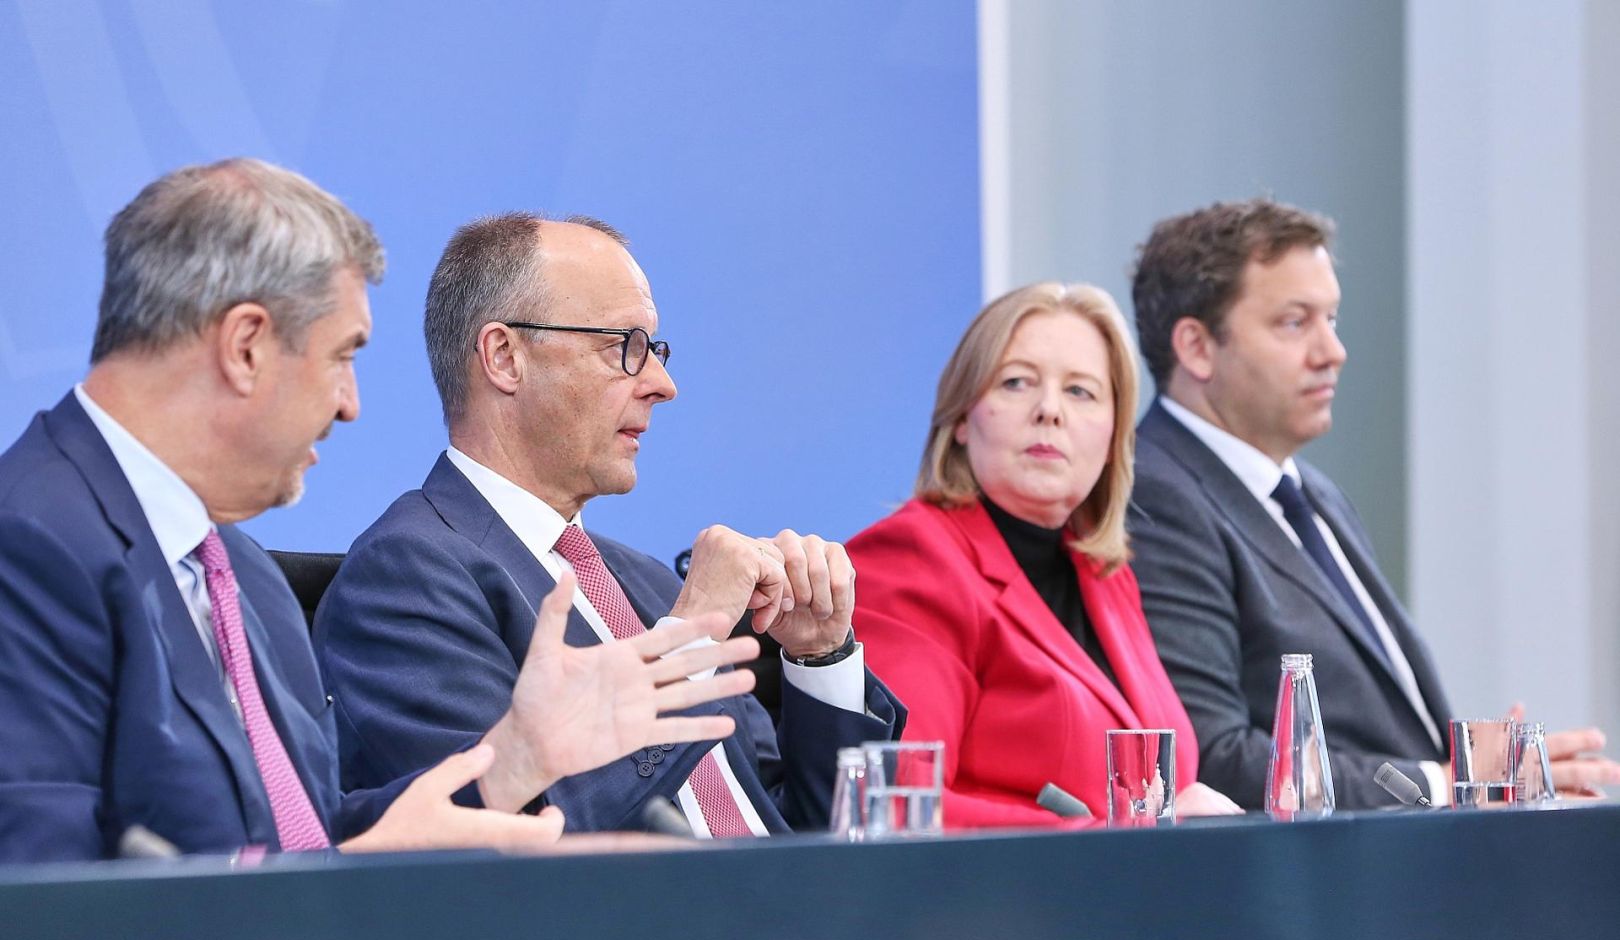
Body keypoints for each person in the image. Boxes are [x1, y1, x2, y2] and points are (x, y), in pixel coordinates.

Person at [0, 159, 757, 863]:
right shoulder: (27, 544)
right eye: (343, 356)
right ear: (246, 346)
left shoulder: (246, 580)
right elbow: (45, 897)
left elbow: (312, 843)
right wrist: (347, 871)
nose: (351, 405)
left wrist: (510, 767)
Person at [314, 213, 903, 837]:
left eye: (656, 350)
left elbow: (797, 833)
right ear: (505, 357)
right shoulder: (405, 577)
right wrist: (688, 642)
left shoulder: (642, 583)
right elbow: (511, 836)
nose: (662, 384)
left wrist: (819, 658)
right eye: (623, 347)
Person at [1126, 197, 1620, 808]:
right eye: (1294, 322)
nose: (1333, 351)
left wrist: (1479, 767)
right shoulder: (1155, 495)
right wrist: (1448, 782)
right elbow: (1216, 759)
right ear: (1197, 348)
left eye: (1331, 319)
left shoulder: (1312, 491)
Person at [845, 282, 1239, 828]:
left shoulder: (1102, 571)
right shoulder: (913, 558)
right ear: (963, 416)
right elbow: (901, 806)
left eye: (1081, 392)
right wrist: (1122, 837)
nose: (1049, 410)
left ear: (1114, 433)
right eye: (1016, 383)